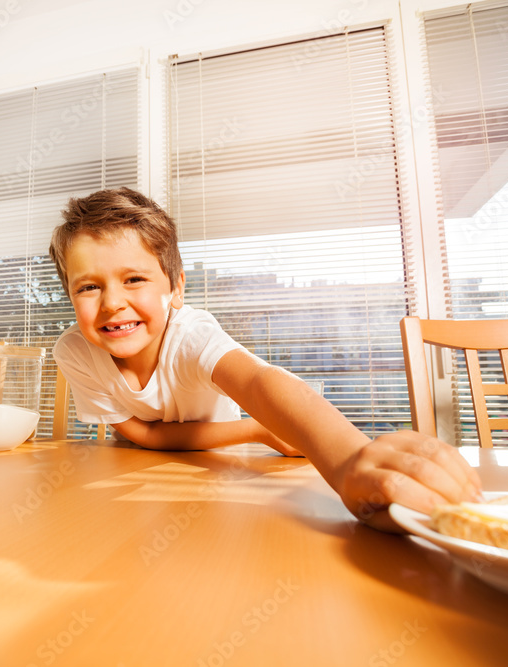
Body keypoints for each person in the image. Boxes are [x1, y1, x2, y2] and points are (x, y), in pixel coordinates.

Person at [49, 187, 482, 532]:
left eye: (134, 279)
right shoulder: (75, 351)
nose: (112, 304)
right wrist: (258, 427)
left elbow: (258, 381)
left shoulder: (190, 334)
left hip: (220, 474)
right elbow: (141, 435)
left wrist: (351, 459)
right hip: (139, 474)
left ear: (176, 289)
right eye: (88, 287)